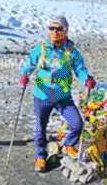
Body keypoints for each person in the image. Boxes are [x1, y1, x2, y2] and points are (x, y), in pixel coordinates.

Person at [17, 15, 96, 172]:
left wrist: (86, 79)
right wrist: (24, 74)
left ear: (66, 31)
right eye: (52, 28)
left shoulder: (71, 52)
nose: (55, 32)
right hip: (42, 95)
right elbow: (28, 64)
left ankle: (68, 145)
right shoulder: (41, 48)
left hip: (63, 97)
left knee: (77, 124)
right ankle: (40, 156)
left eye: (59, 29)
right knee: (41, 127)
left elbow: (79, 69)